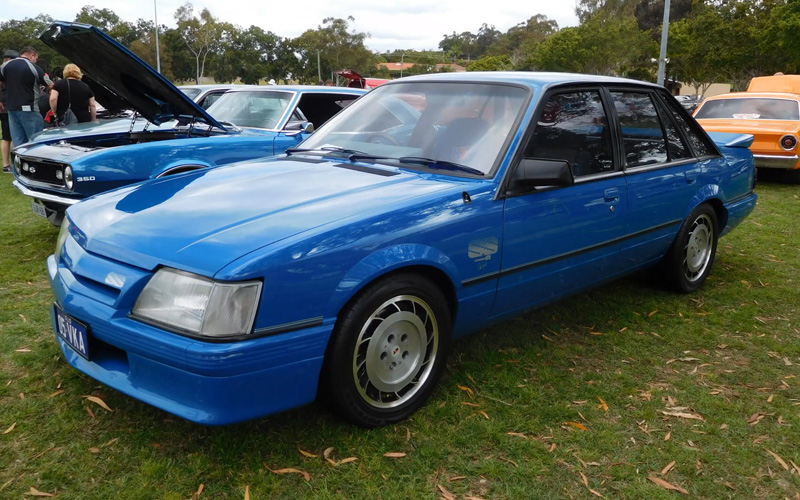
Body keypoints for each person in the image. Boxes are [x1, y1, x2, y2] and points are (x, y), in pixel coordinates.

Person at [0, 46, 52, 148]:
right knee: (35, 141)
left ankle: (19, 158)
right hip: (30, 108)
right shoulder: (34, 67)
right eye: (36, 58)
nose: (35, 61)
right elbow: (50, 85)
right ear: (32, 55)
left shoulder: (5, 66)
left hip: (11, 108)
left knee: (18, 143)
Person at [0, 49, 19, 173]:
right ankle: (6, 164)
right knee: (7, 137)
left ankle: (10, 163)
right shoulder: (4, 71)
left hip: (10, 105)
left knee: (10, 136)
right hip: (6, 107)